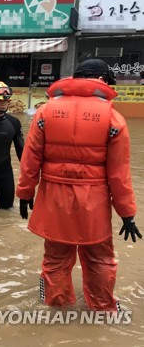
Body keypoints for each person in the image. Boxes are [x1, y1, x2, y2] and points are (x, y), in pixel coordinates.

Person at [16, 59, 140, 312]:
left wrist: (25, 193)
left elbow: (30, 160)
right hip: (94, 204)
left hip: (53, 201)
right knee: (100, 259)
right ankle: (103, 309)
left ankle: (56, 308)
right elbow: (119, 175)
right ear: (104, 81)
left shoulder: (45, 112)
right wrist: (127, 214)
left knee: (55, 260)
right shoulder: (113, 119)